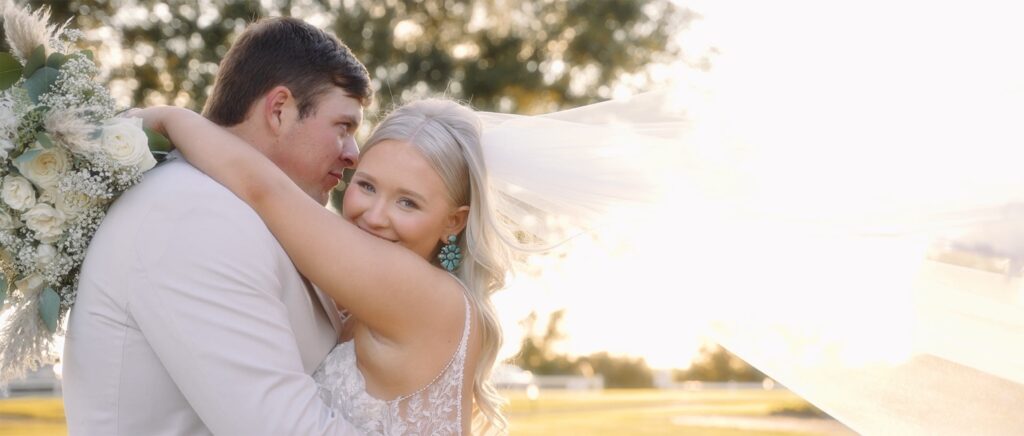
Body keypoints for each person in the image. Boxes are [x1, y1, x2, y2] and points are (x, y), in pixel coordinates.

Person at [62, 17, 370, 435]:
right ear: (279, 109)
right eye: (344, 127)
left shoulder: (249, 214)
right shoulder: (191, 214)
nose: (354, 154)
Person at [135, 99, 510, 435]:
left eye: (407, 203)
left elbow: (265, 191)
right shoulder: (375, 297)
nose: (374, 216)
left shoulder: (425, 296)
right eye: (366, 186)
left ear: (454, 222)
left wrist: (168, 118)